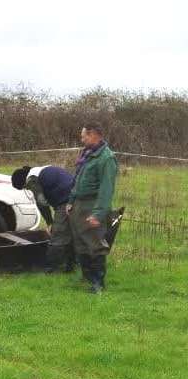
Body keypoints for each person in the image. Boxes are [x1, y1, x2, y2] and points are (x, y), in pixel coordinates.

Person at [67, 122, 118, 294]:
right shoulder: (86, 154)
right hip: (78, 204)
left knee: (95, 243)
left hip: (93, 204)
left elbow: (106, 189)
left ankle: (98, 284)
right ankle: (87, 277)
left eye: (84, 136)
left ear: (94, 135)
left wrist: (98, 214)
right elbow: (77, 179)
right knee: (80, 243)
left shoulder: (106, 158)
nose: (82, 139)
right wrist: (70, 200)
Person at [11, 165, 76, 272]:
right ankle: (71, 265)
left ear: (24, 181)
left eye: (25, 187)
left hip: (66, 200)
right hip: (75, 195)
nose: (27, 189)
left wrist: (50, 223)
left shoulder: (32, 179)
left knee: (58, 235)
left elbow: (41, 203)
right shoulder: (39, 170)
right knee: (72, 233)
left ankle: (53, 268)